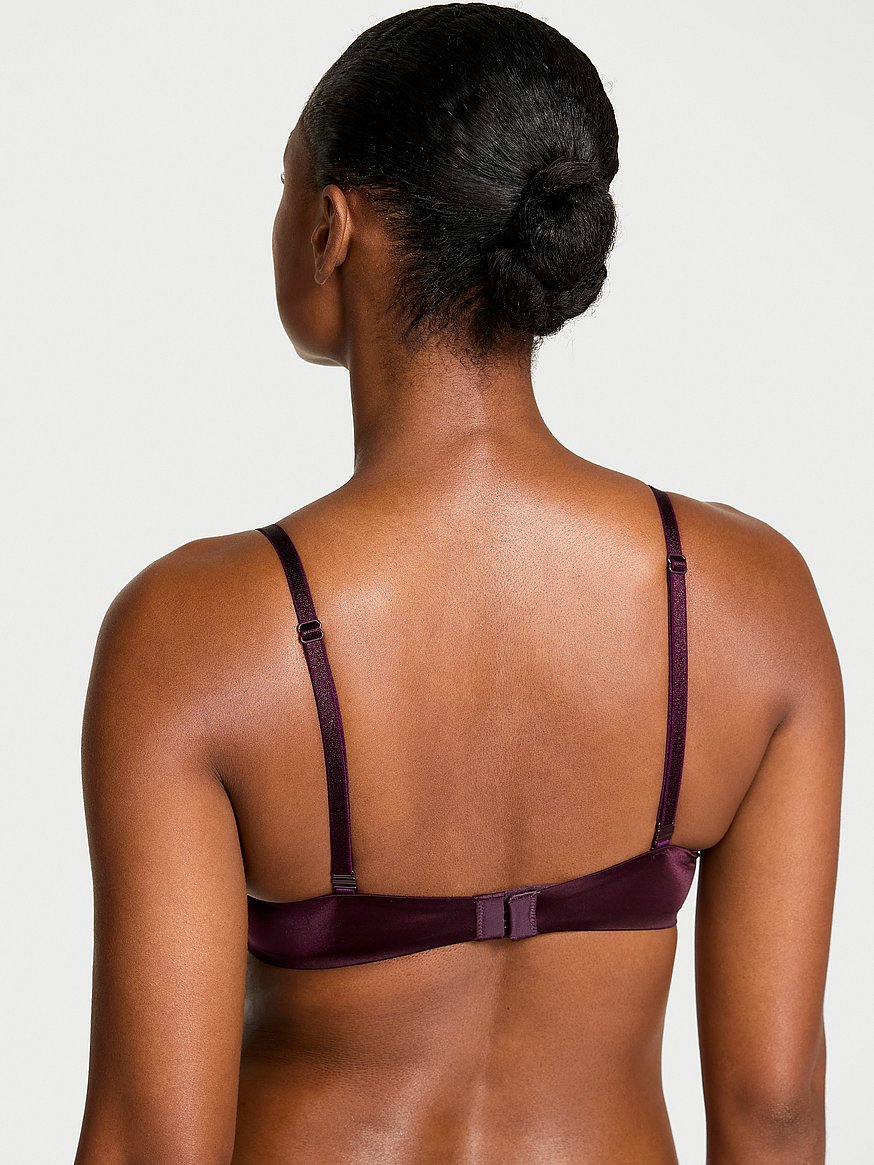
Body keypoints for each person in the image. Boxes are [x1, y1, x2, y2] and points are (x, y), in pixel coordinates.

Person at [74, 5, 844, 1163]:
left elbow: (150, 1144)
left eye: (286, 187)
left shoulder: (195, 633)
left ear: (330, 227)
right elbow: (774, 1110)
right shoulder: (751, 602)